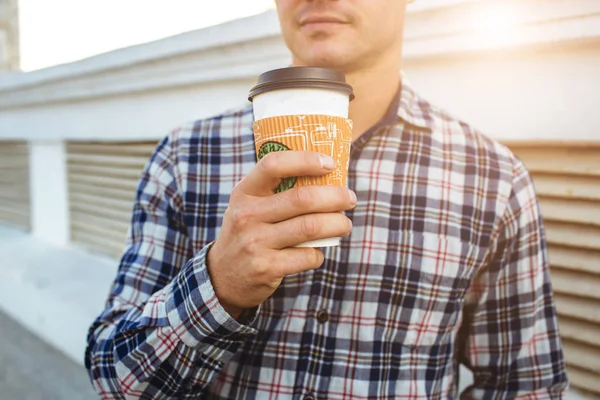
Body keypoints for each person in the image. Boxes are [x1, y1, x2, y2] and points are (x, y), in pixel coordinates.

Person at [85, 0, 569, 398]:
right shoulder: (187, 156)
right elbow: (115, 380)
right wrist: (219, 285)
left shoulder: (493, 178)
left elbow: (524, 386)